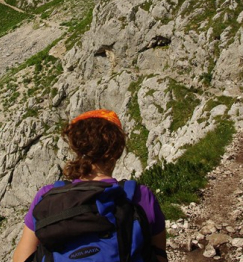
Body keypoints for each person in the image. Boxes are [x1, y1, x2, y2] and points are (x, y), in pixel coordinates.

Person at [13, 109, 167, 262]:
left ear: (76, 148)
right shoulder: (139, 196)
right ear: (117, 151)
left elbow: (21, 258)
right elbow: (159, 256)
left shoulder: (47, 195)